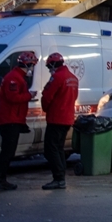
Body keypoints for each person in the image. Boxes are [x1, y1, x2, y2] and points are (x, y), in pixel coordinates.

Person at [0, 51, 37, 194]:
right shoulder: (14, 79)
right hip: (10, 120)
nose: (32, 69)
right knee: (7, 152)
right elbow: (13, 98)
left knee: (9, 152)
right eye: (32, 65)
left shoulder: (17, 77)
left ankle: (1, 180)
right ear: (26, 64)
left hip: (13, 119)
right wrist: (29, 95)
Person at [40, 52, 79, 190]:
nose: (49, 70)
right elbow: (73, 98)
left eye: (49, 67)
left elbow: (47, 97)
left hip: (56, 118)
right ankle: (60, 176)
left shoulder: (56, 77)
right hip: (67, 119)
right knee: (59, 148)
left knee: (51, 149)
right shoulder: (73, 78)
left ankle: (58, 178)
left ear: (52, 65)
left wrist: (45, 108)